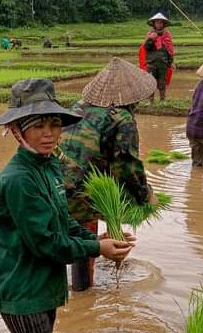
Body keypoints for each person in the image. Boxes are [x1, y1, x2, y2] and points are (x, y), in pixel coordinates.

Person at [0, 79, 135, 333]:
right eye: (38, 126)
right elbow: (45, 243)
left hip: (44, 286)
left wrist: (97, 239)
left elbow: (63, 221)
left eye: (55, 124)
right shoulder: (19, 179)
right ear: (16, 130)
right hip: (23, 292)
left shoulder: (49, 165)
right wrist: (97, 248)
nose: (49, 134)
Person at [59, 57, 158, 291]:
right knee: (85, 242)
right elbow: (127, 166)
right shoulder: (122, 118)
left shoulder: (78, 106)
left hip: (54, 183)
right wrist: (145, 195)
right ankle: (84, 300)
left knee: (69, 237)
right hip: (83, 188)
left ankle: (74, 292)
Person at [142, 12, 175, 103]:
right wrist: (151, 39)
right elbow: (146, 47)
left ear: (163, 24)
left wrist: (171, 62)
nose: (159, 24)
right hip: (151, 62)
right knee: (150, 81)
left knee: (162, 82)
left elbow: (170, 50)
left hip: (163, 63)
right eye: (157, 22)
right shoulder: (150, 34)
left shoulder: (167, 35)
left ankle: (162, 99)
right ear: (154, 24)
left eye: (161, 23)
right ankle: (150, 100)